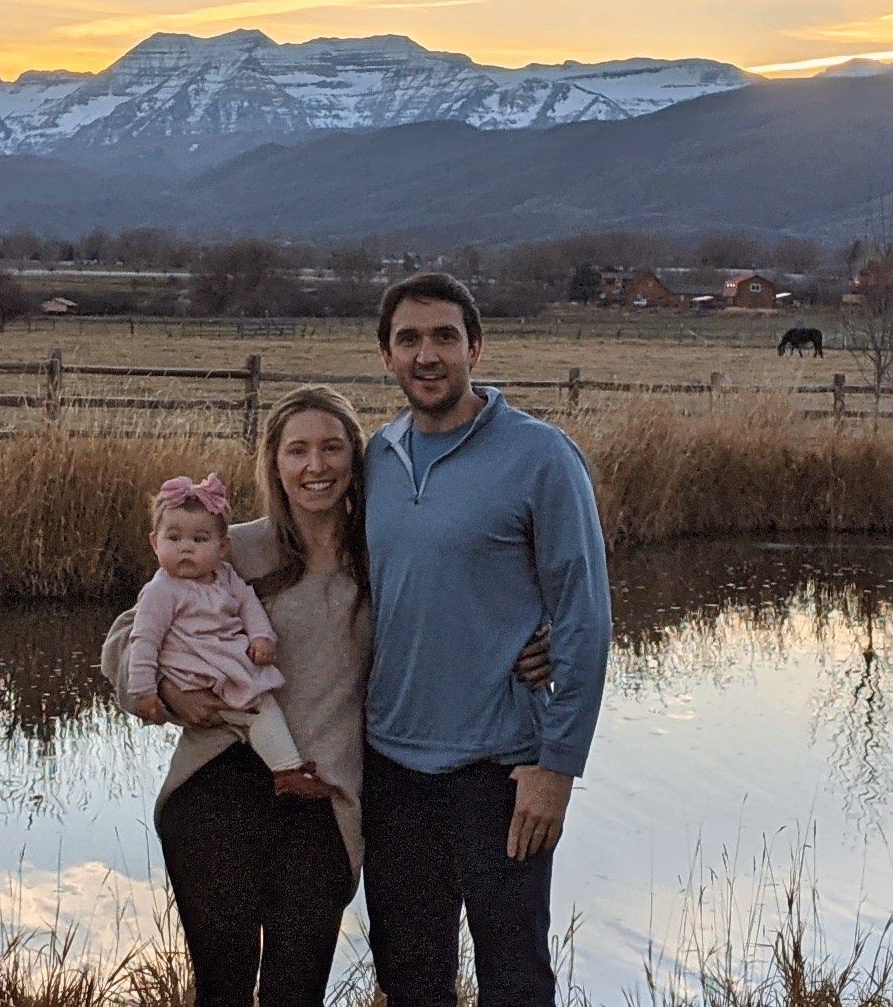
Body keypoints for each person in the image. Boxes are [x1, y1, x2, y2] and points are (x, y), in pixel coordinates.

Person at [103, 385, 554, 1006]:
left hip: (323, 798)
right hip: (216, 789)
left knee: (296, 990)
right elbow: (130, 635)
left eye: (332, 448)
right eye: (297, 451)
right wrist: (171, 694)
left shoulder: (385, 551)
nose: (315, 466)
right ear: (275, 463)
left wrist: (537, 640)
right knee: (223, 989)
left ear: (355, 460)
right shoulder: (230, 547)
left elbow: (463, 609)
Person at [362, 271, 611, 1007]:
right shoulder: (374, 457)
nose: (427, 354)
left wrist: (555, 766)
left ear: (475, 345)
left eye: (444, 336)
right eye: (408, 338)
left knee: (514, 979)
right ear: (385, 355)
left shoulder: (539, 456)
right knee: (409, 978)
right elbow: (300, 562)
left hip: (502, 772)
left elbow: (585, 618)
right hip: (391, 768)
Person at [128, 471, 338, 799]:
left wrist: (261, 638)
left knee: (256, 709)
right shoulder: (162, 590)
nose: (185, 549)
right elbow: (142, 640)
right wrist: (148, 690)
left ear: (222, 546)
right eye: (174, 539)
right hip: (198, 675)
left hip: (226, 666)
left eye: (198, 540)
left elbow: (249, 606)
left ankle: (287, 767)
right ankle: (287, 770)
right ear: (155, 542)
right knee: (258, 707)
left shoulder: (225, 576)